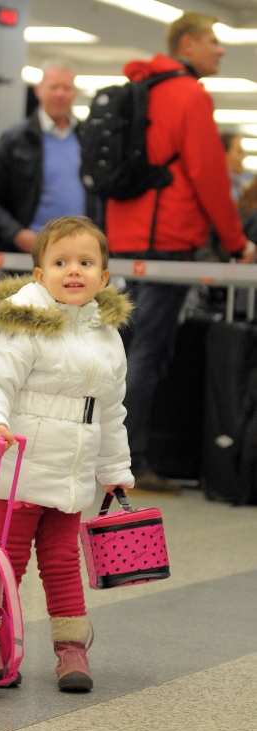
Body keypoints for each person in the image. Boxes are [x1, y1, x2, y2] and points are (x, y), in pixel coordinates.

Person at [0, 216, 134, 691]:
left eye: (85, 262)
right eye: (60, 262)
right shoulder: (23, 326)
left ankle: (71, 648)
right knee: (8, 562)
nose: (73, 271)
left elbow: (111, 411)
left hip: (72, 472)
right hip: (18, 465)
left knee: (62, 560)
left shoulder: (107, 336)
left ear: (104, 278)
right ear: (39, 274)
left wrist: (115, 470)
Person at [105, 12, 257, 494]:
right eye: (214, 41)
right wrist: (236, 243)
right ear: (186, 43)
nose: (221, 50)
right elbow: (209, 175)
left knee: (129, 349)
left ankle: (115, 452)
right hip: (167, 238)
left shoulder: (146, 87)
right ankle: (128, 461)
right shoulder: (188, 94)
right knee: (149, 351)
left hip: (130, 233)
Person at [0, 59, 103, 256]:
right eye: (53, 87)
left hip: (81, 250)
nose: (60, 94)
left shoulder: (90, 139)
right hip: (30, 252)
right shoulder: (15, 140)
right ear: (38, 90)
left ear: (74, 92)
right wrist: (16, 233)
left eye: (66, 88)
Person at [220, 132, 253, 203]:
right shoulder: (221, 189)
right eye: (239, 152)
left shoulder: (240, 182)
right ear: (223, 155)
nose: (244, 156)